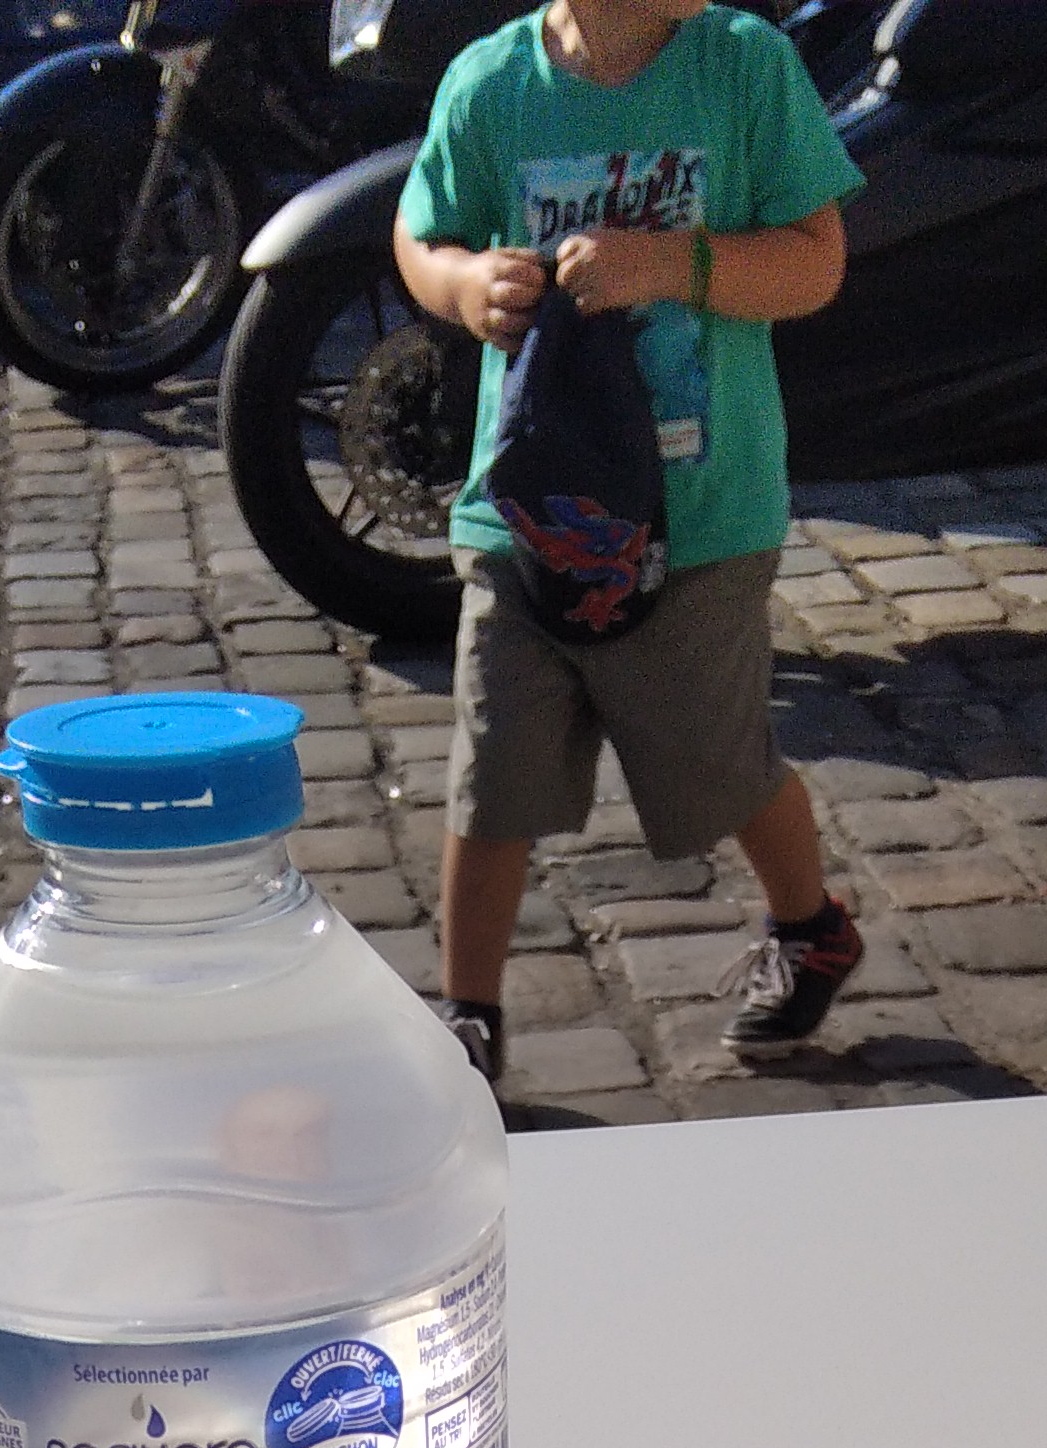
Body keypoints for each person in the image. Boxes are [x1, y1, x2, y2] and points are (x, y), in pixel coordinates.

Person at [394, 0, 865, 1082]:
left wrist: (669, 266)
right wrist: (463, 287)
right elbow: (421, 233)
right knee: (490, 770)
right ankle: (469, 1017)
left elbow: (816, 263)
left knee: (717, 765)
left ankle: (812, 928)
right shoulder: (491, 85)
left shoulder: (744, 68)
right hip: (525, 517)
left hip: (701, 521)